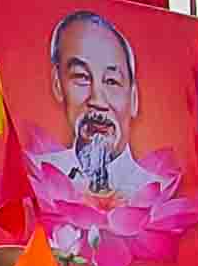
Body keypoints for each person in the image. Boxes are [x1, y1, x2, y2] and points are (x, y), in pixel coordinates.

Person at [39, 10, 161, 199]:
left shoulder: (159, 194)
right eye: (82, 77)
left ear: (134, 98)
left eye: (111, 81)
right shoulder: (35, 178)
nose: (97, 100)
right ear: (58, 84)